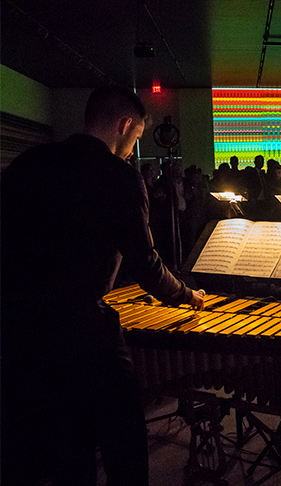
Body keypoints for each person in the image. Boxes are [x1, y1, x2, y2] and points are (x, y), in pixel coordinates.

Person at [1, 85, 205, 486]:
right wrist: (186, 295)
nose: (133, 148)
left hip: (17, 327)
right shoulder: (120, 178)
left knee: (58, 440)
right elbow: (144, 262)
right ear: (124, 124)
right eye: (136, 138)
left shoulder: (28, 163)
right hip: (81, 330)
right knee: (124, 438)